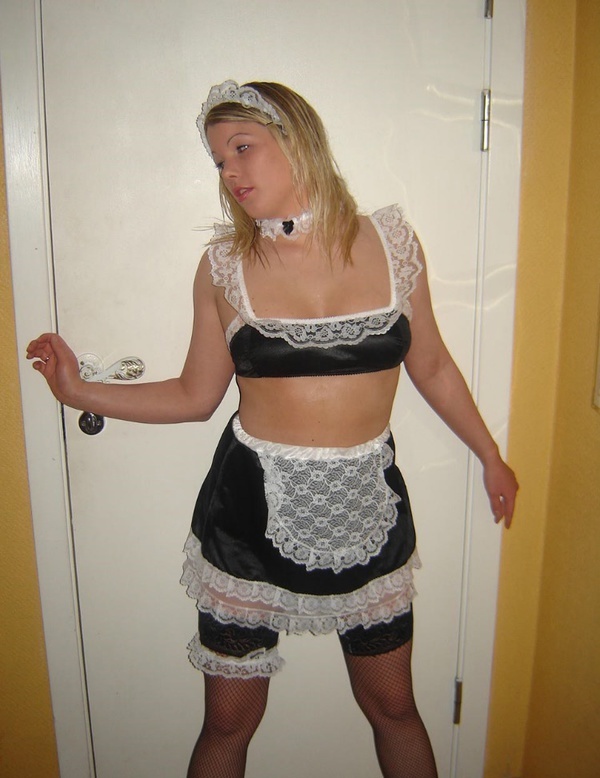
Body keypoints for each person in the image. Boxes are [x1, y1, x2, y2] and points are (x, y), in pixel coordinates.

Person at [27, 80, 518, 778]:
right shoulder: (223, 267)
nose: (229, 171)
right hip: (247, 517)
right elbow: (196, 396)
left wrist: (489, 455)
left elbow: (433, 366)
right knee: (228, 722)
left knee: (393, 707)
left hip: (365, 507)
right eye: (218, 159)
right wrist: (77, 390)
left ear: (297, 140)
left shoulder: (393, 244)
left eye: (242, 148)